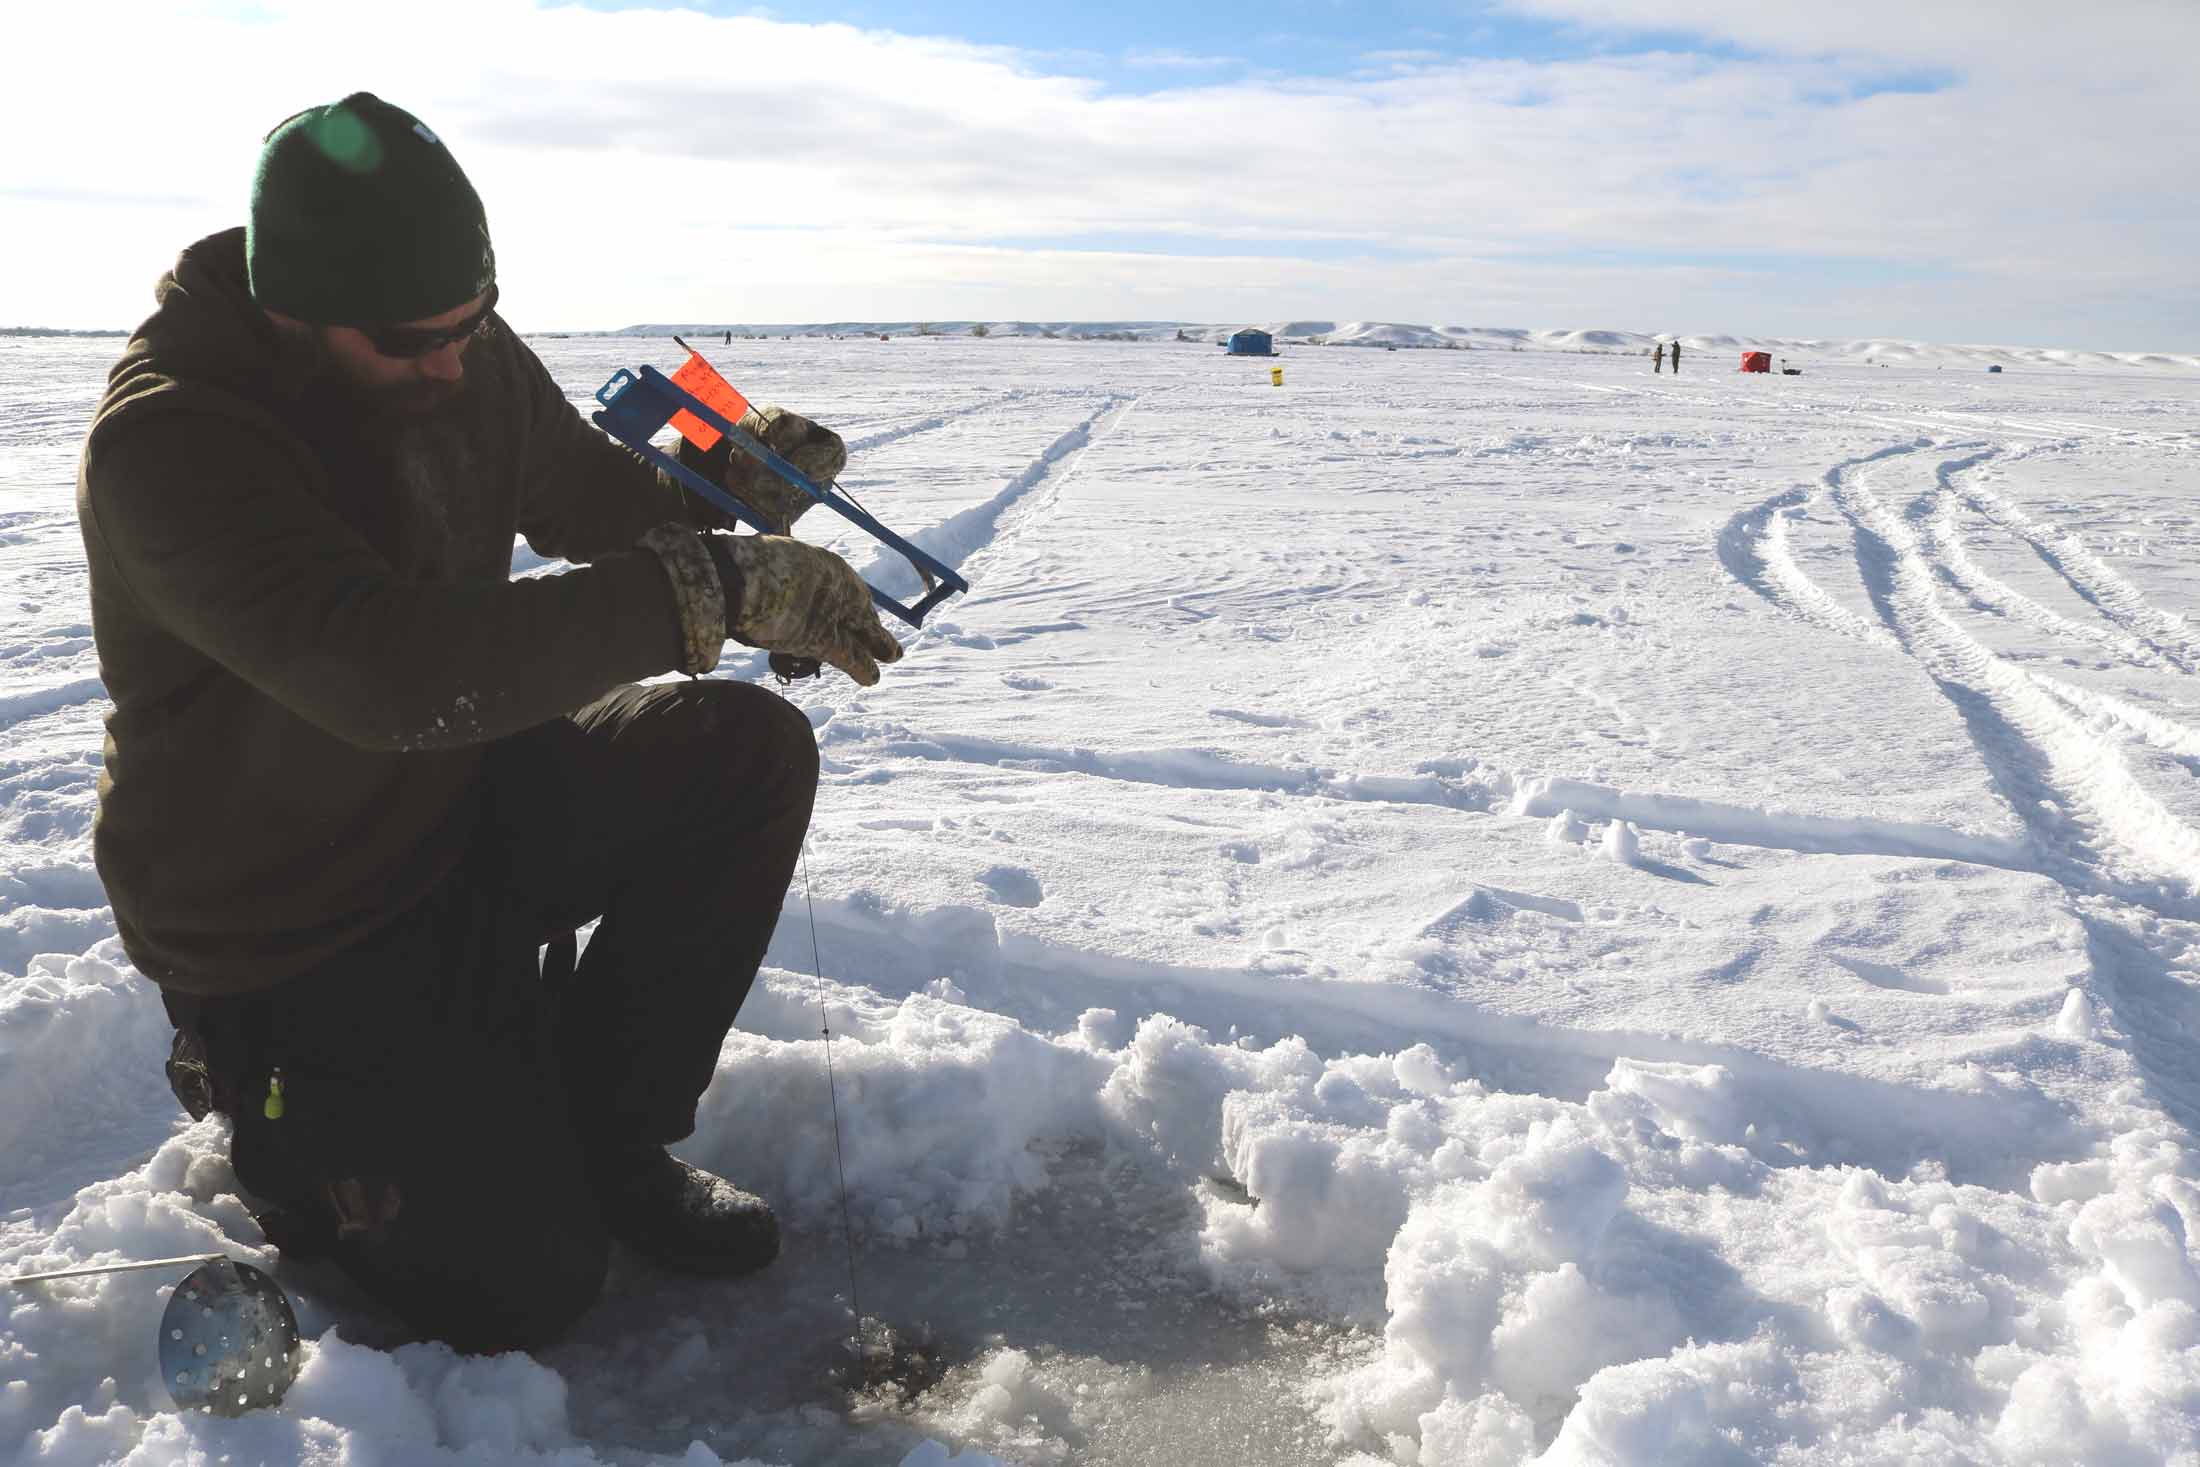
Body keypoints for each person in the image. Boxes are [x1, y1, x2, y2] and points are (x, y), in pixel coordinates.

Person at [76, 93, 902, 1353]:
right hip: (290, 919)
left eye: (473, 325)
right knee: (519, 1290)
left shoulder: (451, 342)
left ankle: (609, 1134)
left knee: (738, 751)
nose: (454, 364)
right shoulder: (174, 443)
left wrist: (729, 487)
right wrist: (706, 590)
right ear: (297, 305)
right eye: (417, 342)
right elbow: (389, 677)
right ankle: (297, 1138)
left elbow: (583, 494)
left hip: (455, 803)